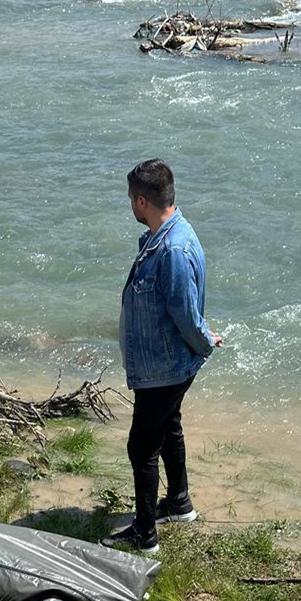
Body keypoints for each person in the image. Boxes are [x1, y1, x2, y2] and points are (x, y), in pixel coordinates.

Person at [101, 159, 221, 557]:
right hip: (162, 363)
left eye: (130, 200)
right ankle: (180, 503)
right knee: (169, 427)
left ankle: (145, 534)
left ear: (141, 200)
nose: (129, 207)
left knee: (141, 446)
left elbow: (186, 314)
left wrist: (204, 341)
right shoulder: (165, 235)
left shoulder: (171, 248)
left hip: (164, 368)